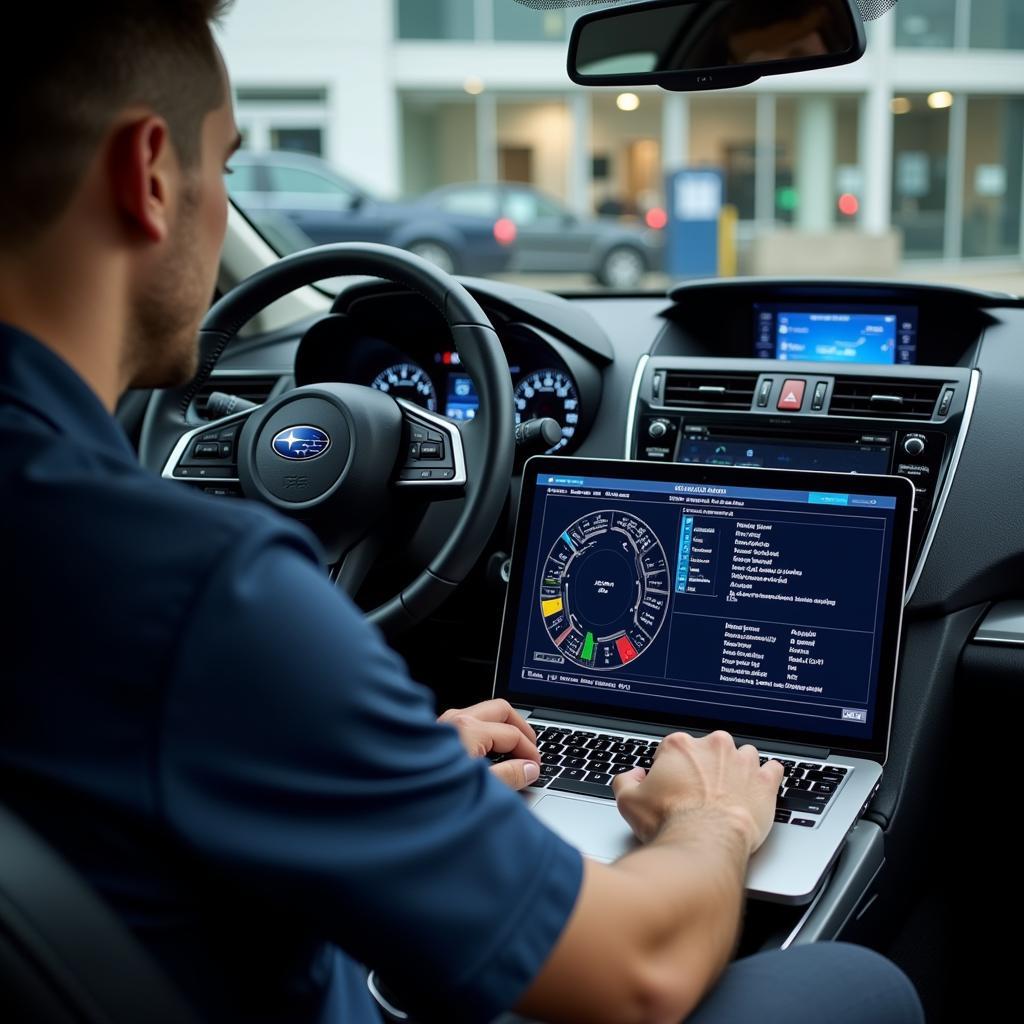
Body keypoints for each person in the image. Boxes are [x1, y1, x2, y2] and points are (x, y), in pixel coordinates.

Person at [0, 4, 925, 1024]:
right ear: (150, 177)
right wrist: (712, 818)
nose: (221, 204)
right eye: (224, 166)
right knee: (862, 984)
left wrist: (369, 764)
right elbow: (642, 974)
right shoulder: (201, 596)